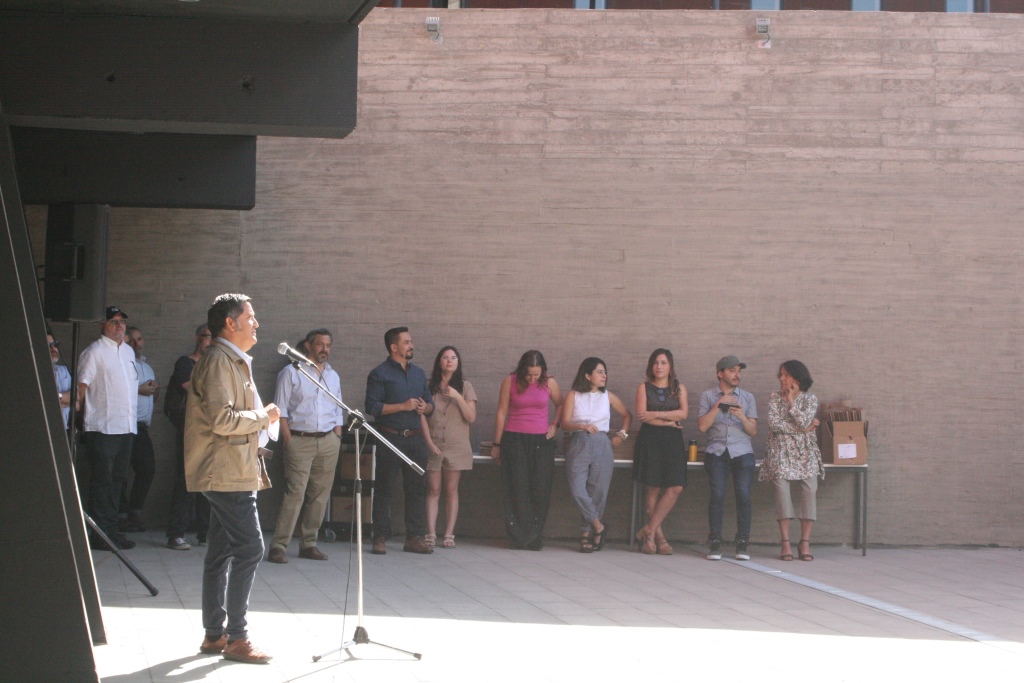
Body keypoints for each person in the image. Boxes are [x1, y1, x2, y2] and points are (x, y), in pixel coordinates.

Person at [185, 293, 279, 664]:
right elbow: (222, 420)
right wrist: (265, 417)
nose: (256, 323)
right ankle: (237, 638)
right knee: (251, 549)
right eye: (250, 317)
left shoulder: (230, 359)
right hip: (226, 472)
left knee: (221, 552)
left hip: (232, 469)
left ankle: (214, 635)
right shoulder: (219, 361)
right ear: (230, 322)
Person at [267, 328, 345, 564]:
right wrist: (288, 439)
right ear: (308, 345)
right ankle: (278, 546)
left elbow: (338, 409)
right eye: (320, 344)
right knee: (295, 494)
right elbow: (280, 409)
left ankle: (309, 544)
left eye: (328, 345)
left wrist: (337, 436)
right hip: (299, 440)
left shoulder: (333, 375)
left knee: (320, 495)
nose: (325, 349)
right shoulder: (291, 372)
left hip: (328, 441)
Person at [364, 327, 434, 555]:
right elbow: (372, 407)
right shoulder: (379, 374)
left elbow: (430, 405)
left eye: (411, 341)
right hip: (389, 437)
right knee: (384, 489)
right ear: (394, 347)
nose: (411, 346)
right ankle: (380, 536)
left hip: (415, 438)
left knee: (416, 489)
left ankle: (414, 537)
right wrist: (402, 406)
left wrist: (425, 407)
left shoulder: (418, 373)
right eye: (406, 342)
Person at [76, 306, 138, 551]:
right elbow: (81, 388)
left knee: (118, 481)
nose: (119, 325)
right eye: (113, 321)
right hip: (102, 427)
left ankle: (111, 531)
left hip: (126, 426)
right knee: (102, 481)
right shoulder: (94, 352)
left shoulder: (129, 351)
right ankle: (99, 534)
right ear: (102, 325)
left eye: (122, 321)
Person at [492, 350, 563, 551]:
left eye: (536, 374)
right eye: (529, 374)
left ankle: (534, 535)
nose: (532, 379)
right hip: (514, 439)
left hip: (542, 440)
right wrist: (497, 444)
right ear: (522, 370)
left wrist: (555, 425)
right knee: (517, 486)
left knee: (540, 487)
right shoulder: (510, 381)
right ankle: (519, 536)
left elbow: (561, 404)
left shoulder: (549, 382)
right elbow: (501, 412)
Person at [560, 357, 631, 553]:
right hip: (578, 442)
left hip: (602, 443)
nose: (604, 375)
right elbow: (564, 423)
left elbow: (627, 415)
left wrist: (621, 436)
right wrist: (581, 426)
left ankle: (586, 534)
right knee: (577, 490)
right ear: (587, 375)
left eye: (605, 372)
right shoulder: (573, 395)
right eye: (599, 372)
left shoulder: (608, 396)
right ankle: (599, 526)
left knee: (597, 491)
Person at [760, 360, 823, 562]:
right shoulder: (774, 398)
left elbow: (804, 421)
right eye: (780, 375)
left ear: (797, 378)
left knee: (809, 490)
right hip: (780, 450)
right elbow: (774, 425)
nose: (781, 378)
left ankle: (805, 542)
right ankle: (785, 542)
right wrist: (803, 429)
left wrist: (791, 402)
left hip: (806, 452)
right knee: (781, 491)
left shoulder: (810, 399)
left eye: (786, 375)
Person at [697, 355, 758, 561]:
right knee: (718, 494)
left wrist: (741, 416)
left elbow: (753, 431)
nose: (737, 375)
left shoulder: (747, 397)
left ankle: (743, 542)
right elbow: (702, 427)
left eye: (739, 371)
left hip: (742, 451)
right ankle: (715, 542)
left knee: (744, 495)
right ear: (720, 373)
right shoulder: (707, 396)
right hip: (717, 451)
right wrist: (718, 404)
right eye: (732, 371)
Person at [632, 348, 689, 555]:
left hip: (673, 441)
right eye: (655, 363)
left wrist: (656, 414)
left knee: (676, 486)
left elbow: (683, 414)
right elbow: (642, 416)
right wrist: (669, 420)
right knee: (654, 487)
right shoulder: (644, 387)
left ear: (670, 366)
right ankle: (657, 537)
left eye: (663, 362)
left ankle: (648, 529)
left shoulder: (679, 388)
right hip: (651, 439)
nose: (659, 366)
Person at [422, 346, 478, 549]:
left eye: (453, 357)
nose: (449, 360)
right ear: (439, 361)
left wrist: (457, 396)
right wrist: (428, 442)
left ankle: (448, 534)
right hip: (434, 442)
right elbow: (421, 416)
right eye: (445, 357)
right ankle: (430, 533)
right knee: (433, 489)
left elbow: (471, 417)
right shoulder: (429, 386)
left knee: (451, 489)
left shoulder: (465, 386)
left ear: (458, 362)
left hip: (456, 445)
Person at [164, 324, 213, 551]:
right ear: (197, 338)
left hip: (212, 431)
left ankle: (205, 533)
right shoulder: (185, 363)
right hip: (189, 430)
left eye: (214, 338)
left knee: (208, 483)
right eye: (207, 337)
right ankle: (176, 534)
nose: (210, 342)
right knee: (186, 481)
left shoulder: (215, 365)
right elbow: (191, 387)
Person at [119, 326, 158, 533]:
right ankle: (121, 515)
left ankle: (135, 511)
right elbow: (117, 388)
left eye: (139, 339)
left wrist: (153, 390)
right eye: (132, 340)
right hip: (124, 426)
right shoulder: (122, 363)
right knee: (121, 473)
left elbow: (151, 394)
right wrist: (139, 389)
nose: (137, 344)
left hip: (142, 428)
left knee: (147, 469)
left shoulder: (147, 367)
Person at [47, 329, 72, 429]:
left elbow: (77, 400)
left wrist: (58, 396)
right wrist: (66, 401)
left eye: (55, 344)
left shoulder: (64, 370)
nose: (53, 348)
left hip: (63, 429)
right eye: (48, 345)